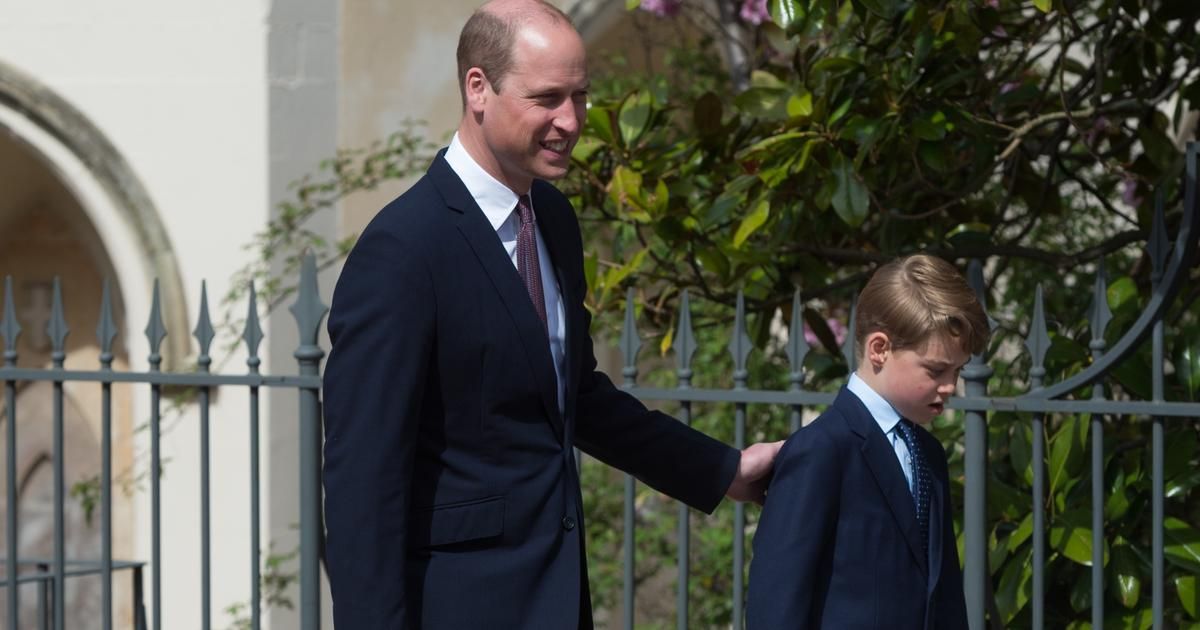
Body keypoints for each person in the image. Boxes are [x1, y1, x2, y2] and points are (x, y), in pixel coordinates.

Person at [321, 1, 781, 627]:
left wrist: (724, 470)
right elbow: (362, 487)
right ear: (477, 89)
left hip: (557, 602)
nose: (571, 120)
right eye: (547, 99)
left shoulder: (554, 221)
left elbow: (576, 398)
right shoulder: (403, 249)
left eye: (580, 97)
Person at [746, 254, 989, 630]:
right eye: (936, 370)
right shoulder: (821, 450)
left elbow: (943, 596)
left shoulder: (930, 455)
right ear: (879, 349)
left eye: (957, 371)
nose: (950, 386)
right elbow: (776, 605)